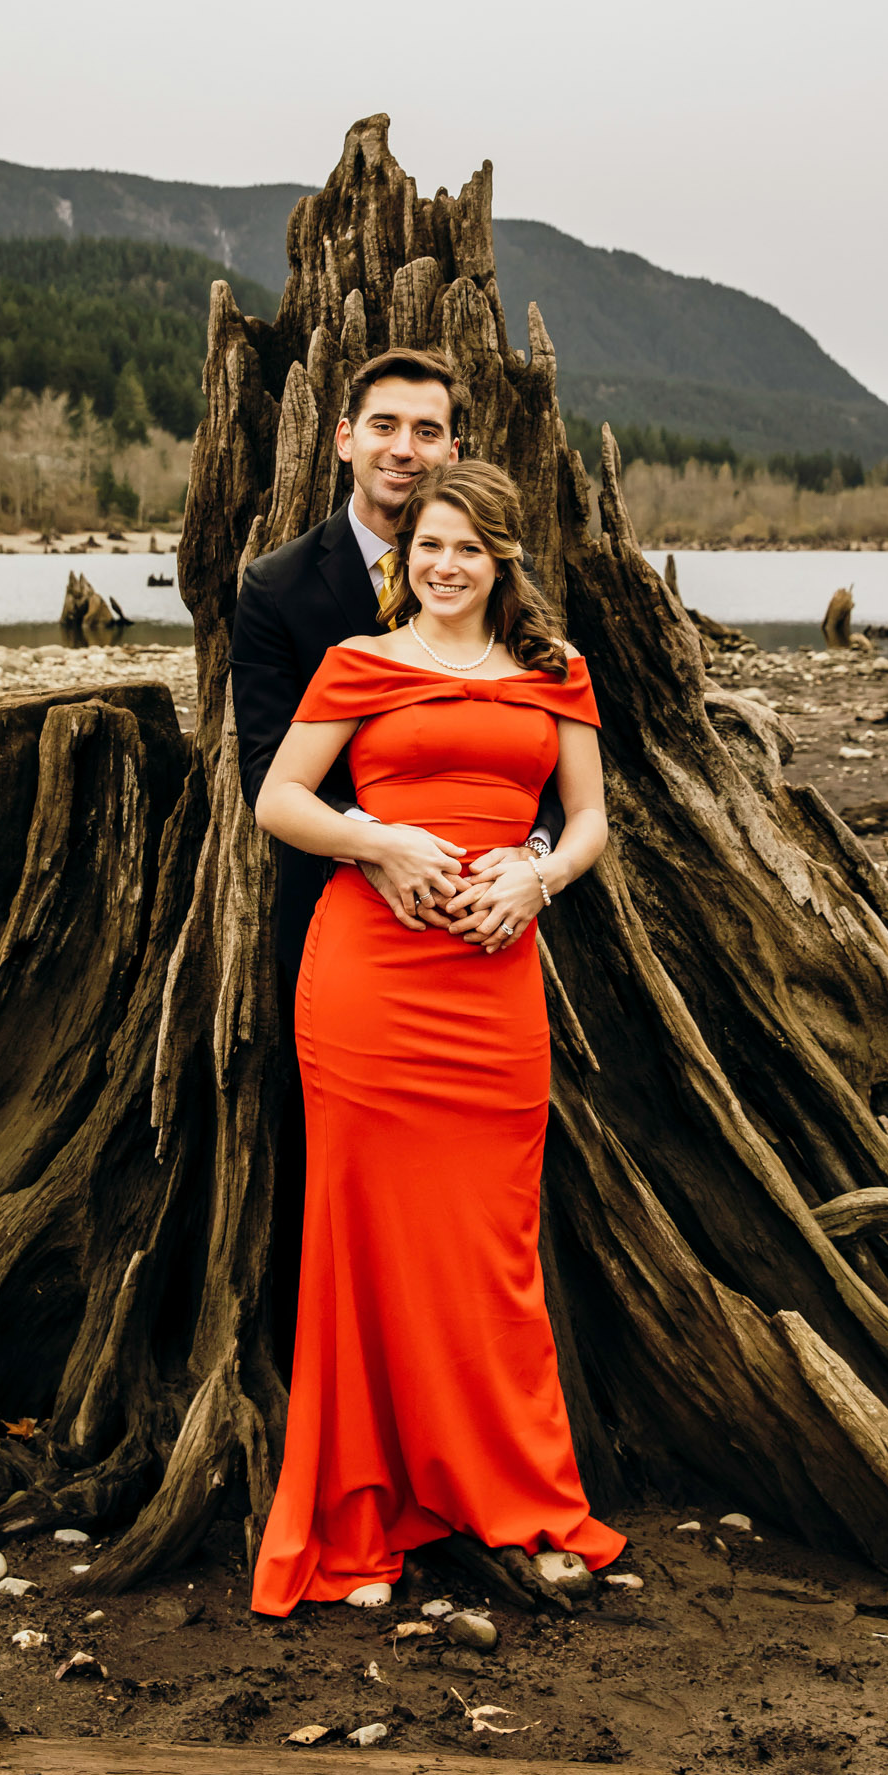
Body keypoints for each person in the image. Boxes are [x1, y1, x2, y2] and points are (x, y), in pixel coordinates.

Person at [248, 457, 623, 1615]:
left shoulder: (555, 673)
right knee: (361, 1245)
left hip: (493, 975)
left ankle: (518, 1493)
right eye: (426, 547)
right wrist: (379, 841)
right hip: (368, 982)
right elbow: (279, 798)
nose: (445, 566)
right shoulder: (357, 663)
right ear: (403, 559)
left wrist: (538, 875)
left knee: (491, 1246)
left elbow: (591, 817)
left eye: (466, 548)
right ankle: (364, 1503)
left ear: (500, 558)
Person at [230, 349, 563, 1356]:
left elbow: (544, 757)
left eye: (426, 431)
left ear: (452, 447)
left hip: (489, 932)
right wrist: (374, 846)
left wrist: (535, 860)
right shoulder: (280, 589)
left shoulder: (509, 593)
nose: (402, 448)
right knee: (343, 1183)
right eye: (383, 425)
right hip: (347, 929)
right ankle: (345, 1398)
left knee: (482, 1194)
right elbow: (266, 773)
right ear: (342, 439)